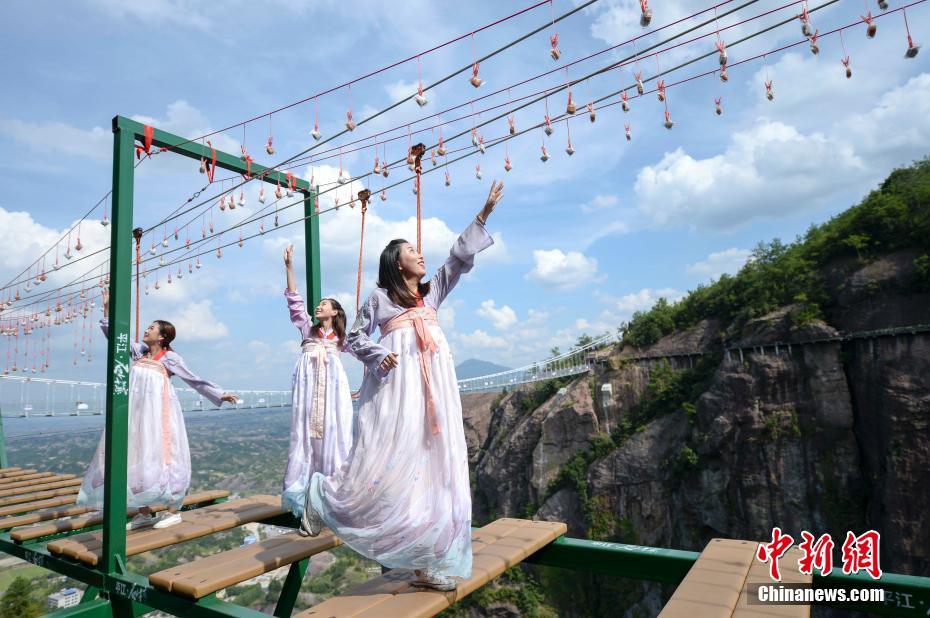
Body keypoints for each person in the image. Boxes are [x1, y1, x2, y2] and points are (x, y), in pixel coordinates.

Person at [303, 180, 505, 591]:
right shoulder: (379, 299)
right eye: (413, 252)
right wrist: (381, 354)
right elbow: (355, 337)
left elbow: (457, 258)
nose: (420, 255)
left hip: (434, 394)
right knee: (390, 461)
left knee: (433, 467)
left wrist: (483, 214)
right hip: (398, 391)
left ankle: (426, 562)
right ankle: (322, 494)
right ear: (397, 263)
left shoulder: (431, 296)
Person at [77, 289, 237, 530]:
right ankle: (144, 512)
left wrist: (219, 393)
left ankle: (173, 510)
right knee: (137, 456)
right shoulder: (138, 352)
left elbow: (194, 379)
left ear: (162, 337)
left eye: (152, 328)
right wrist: (108, 307)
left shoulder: (171, 358)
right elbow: (114, 335)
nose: (146, 330)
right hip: (137, 415)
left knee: (165, 455)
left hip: (160, 414)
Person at [280, 244, 354, 525]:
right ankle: (307, 499)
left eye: (325, 304)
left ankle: (330, 500)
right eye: (319, 303)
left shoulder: (342, 339)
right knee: (304, 436)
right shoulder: (306, 329)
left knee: (334, 436)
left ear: (334, 312)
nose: (319, 305)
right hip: (308, 390)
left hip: (333, 392)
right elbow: (294, 301)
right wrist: (289, 267)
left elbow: (367, 354)